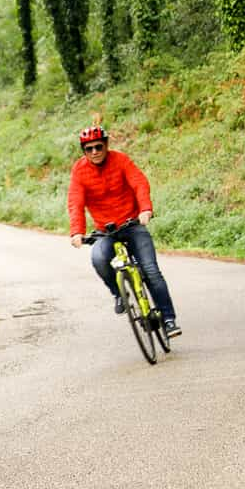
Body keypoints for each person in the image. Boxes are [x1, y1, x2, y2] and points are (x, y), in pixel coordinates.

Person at [67, 126, 181, 338]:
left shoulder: (120, 160)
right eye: (88, 149)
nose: (94, 152)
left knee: (151, 271)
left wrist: (145, 209)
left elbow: (139, 182)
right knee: (99, 258)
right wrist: (77, 232)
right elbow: (75, 202)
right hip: (105, 231)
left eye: (98, 147)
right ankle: (118, 293)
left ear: (106, 145)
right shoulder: (79, 171)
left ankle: (168, 319)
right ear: (83, 150)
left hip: (132, 223)